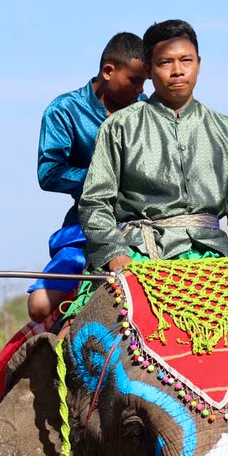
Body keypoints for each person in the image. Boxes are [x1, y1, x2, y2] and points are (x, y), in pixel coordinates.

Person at [78, 19, 228, 273]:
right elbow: (95, 202)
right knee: (102, 312)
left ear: (198, 64)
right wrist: (115, 252)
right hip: (138, 253)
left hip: (215, 255)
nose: (177, 71)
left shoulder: (226, 130)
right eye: (165, 62)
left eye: (186, 60)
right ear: (148, 69)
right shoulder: (119, 127)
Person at [26, 32, 148, 321]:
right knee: (39, 307)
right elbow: (50, 173)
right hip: (86, 228)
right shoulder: (64, 110)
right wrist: (105, 181)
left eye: (145, 81)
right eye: (134, 80)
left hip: (147, 228)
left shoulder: (148, 111)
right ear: (108, 71)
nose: (140, 89)